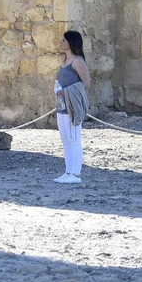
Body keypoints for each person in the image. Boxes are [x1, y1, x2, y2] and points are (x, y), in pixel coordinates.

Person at [53, 30, 91, 184]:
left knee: (74, 140)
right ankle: (68, 171)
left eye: (64, 40)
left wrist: (68, 91)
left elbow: (86, 82)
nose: (61, 42)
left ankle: (75, 174)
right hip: (61, 105)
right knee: (66, 140)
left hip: (72, 104)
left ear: (71, 42)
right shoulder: (65, 61)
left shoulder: (77, 61)